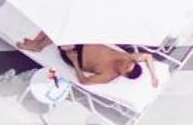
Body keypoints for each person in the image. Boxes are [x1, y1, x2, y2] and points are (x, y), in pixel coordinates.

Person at [16, 34, 154, 85]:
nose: (123, 63)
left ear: (123, 74)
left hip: (75, 54)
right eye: (128, 63)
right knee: (66, 28)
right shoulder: (129, 57)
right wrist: (154, 76)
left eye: (124, 67)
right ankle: (37, 43)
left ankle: (37, 45)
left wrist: (75, 60)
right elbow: (149, 56)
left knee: (62, 36)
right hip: (82, 40)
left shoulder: (108, 76)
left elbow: (84, 81)